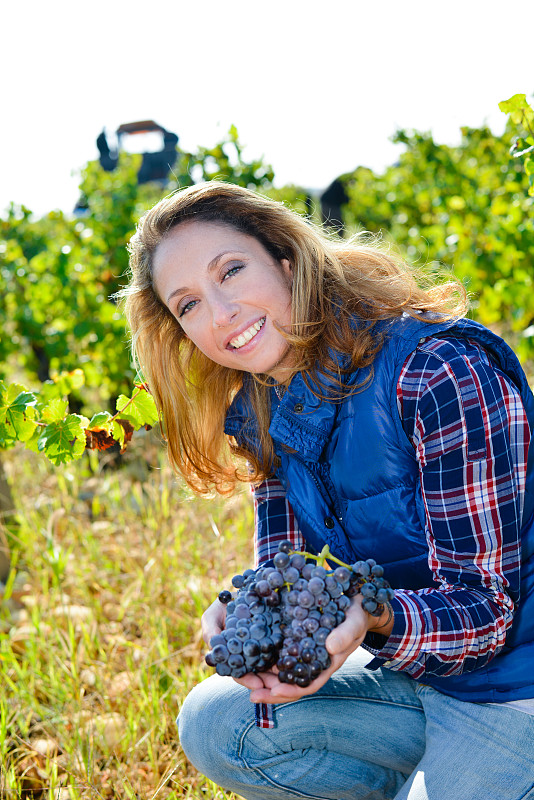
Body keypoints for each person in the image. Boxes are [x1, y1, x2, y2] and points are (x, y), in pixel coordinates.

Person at [123, 181, 534, 800]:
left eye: (231, 271)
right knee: (218, 725)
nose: (221, 313)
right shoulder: (262, 406)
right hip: (413, 674)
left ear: (287, 260)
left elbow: (488, 617)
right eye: (188, 305)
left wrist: (372, 612)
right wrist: (256, 620)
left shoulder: (435, 373)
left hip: (513, 687)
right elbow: (289, 573)